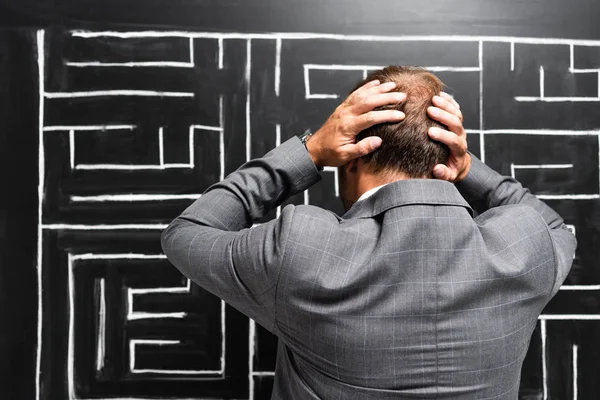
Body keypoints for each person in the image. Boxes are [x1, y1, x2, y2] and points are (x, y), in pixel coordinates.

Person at [161, 66, 576, 399]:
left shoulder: (301, 250)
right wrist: (468, 169)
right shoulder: (523, 248)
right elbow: (556, 226)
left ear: (352, 160)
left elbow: (187, 233)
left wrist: (309, 152)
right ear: (448, 152)